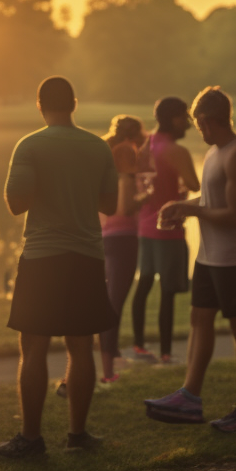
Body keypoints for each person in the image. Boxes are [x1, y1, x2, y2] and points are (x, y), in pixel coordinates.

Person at [0, 76, 119, 458]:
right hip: (86, 256)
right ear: (74, 104)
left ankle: (31, 440)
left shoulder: (30, 145)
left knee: (33, 347)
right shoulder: (98, 147)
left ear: (39, 105)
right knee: (80, 347)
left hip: (43, 257)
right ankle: (77, 436)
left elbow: (16, 203)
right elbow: (110, 206)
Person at [145, 87, 236, 432]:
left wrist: (191, 210)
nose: (197, 129)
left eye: (198, 123)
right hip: (210, 256)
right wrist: (185, 207)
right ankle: (189, 398)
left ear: (208, 120)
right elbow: (213, 197)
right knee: (199, 319)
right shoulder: (215, 153)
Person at [130, 97, 200, 363]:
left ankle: (138, 346)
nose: (189, 124)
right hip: (168, 229)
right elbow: (194, 183)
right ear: (174, 119)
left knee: (145, 284)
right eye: (185, 118)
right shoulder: (175, 150)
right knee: (168, 292)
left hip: (145, 227)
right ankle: (166, 353)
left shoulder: (145, 145)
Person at [97, 114, 147, 383]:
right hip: (123, 237)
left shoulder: (106, 155)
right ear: (132, 136)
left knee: (109, 300)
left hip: (103, 235)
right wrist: (145, 198)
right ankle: (107, 373)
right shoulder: (125, 154)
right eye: (141, 135)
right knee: (113, 305)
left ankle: (112, 355)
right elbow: (126, 207)